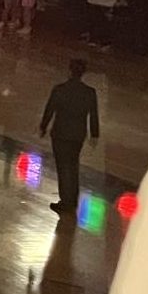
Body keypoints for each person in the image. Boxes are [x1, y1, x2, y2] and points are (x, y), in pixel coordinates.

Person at [40, 59, 101, 215]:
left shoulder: (60, 89)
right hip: (77, 135)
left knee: (63, 167)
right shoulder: (89, 93)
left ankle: (65, 201)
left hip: (60, 133)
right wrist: (94, 134)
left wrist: (43, 126)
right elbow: (93, 115)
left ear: (69, 71)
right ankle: (72, 198)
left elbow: (50, 109)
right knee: (73, 165)